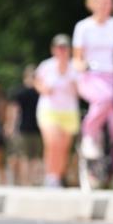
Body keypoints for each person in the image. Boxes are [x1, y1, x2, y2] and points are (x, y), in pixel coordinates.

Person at [72, 0, 113, 160]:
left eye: (107, 1)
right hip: (91, 76)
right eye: (100, 1)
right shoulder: (83, 27)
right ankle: (88, 136)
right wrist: (81, 65)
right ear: (91, 3)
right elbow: (77, 57)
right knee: (103, 99)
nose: (104, 5)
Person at [35, 35, 80, 187]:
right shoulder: (46, 66)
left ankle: (58, 177)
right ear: (54, 50)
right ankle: (50, 176)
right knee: (53, 142)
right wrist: (43, 89)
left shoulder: (75, 67)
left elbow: (80, 89)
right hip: (49, 110)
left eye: (65, 48)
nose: (62, 51)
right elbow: (36, 82)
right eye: (59, 48)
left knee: (63, 147)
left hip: (69, 111)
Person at [6, 66, 42, 185]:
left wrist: (10, 125)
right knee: (34, 157)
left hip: (24, 129)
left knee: (25, 157)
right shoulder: (40, 92)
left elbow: (15, 111)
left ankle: (26, 181)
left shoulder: (20, 92)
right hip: (37, 128)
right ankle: (31, 181)